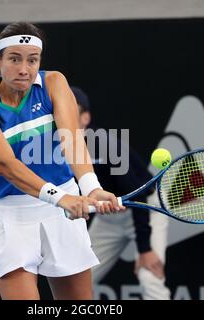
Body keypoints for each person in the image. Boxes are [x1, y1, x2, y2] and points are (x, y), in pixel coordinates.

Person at [0, 22, 125, 300]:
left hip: (61, 213)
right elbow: (6, 165)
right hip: (11, 217)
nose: (24, 69)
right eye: (14, 59)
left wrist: (91, 188)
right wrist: (61, 198)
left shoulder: (54, 82)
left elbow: (72, 139)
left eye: (32, 60)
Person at [71, 86, 171, 300]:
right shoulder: (54, 148)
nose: (65, 117)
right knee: (77, 282)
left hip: (145, 209)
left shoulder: (106, 145)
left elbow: (138, 195)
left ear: (85, 118)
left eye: (73, 111)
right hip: (108, 218)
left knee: (150, 276)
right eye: (61, 111)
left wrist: (145, 249)